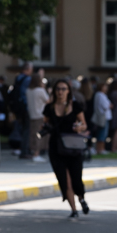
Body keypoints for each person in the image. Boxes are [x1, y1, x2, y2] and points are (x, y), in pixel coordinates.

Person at [41, 79, 89, 218]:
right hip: (56, 147)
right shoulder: (49, 108)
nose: (60, 92)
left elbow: (84, 124)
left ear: (68, 91)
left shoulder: (75, 106)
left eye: (63, 89)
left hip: (73, 146)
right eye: (58, 89)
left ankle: (81, 199)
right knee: (64, 179)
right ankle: (74, 210)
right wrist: (44, 129)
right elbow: (44, 124)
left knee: (76, 178)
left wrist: (80, 127)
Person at [9, 62, 34, 158]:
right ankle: (24, 151)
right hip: (24, 107)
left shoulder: (18, 77)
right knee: (26, 129)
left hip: (18, 107)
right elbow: (25, 94)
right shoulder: (27, 79)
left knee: (21, 128)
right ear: (28, 69)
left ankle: (21, 149)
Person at [27, 73, 50, 162]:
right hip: (40, 115)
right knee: (40, 135)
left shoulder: (28, 90)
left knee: (33, 134)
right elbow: (48, 101)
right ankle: (36, 153)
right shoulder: (40, 90)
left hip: (32, 115)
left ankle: (34, 152)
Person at [91, 82, 113, 154]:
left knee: (103, 133)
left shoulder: (101, 95)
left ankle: (100, 148)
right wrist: (109, 105)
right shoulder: (100, 95)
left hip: (104, 116)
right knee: (102, 133)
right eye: (104, 86)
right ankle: (100, 149)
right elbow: (106, 106)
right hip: (103, 117)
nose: (106, 88)